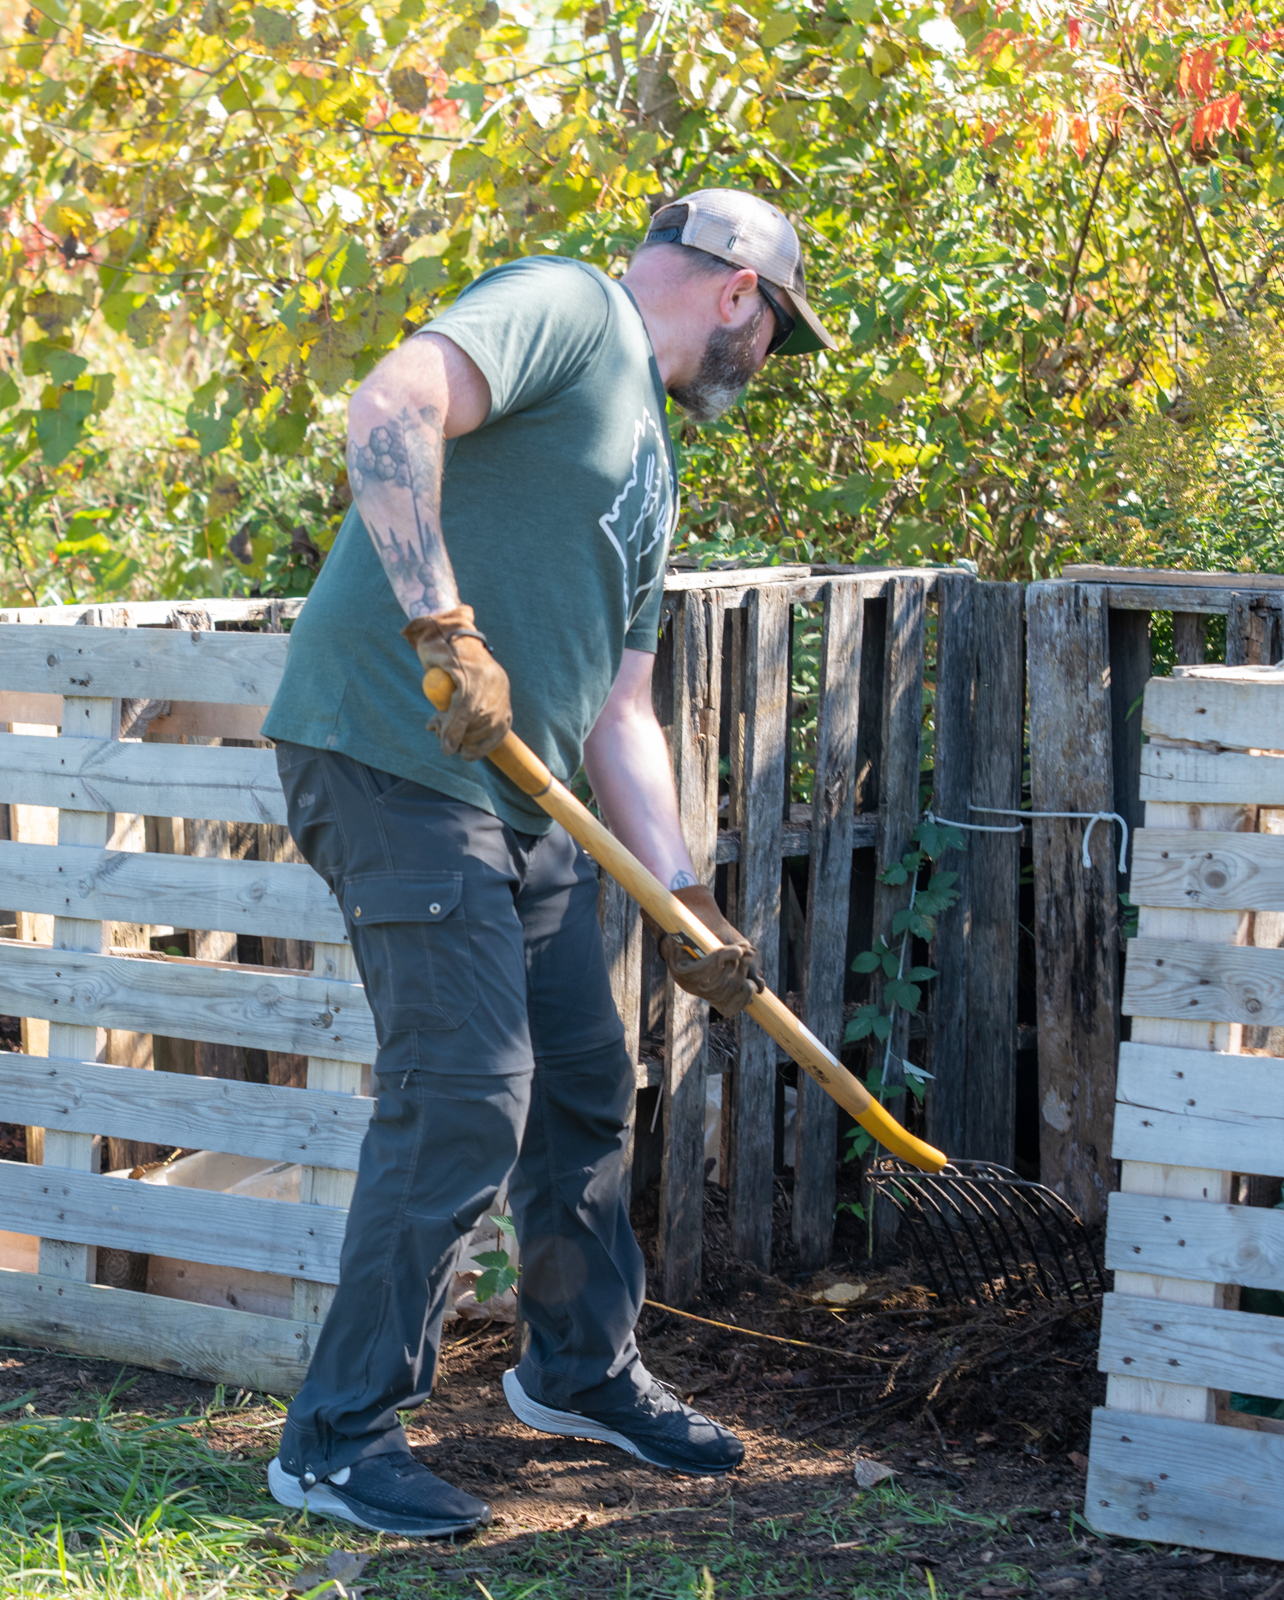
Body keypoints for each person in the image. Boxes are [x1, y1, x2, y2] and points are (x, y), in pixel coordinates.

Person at [259, 188, 831, 1538]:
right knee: (463, 1092)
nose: (766, 361)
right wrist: (441, 626)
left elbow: (618, 711)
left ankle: (575, 1372)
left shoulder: (653, 466)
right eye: (776, 331)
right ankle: (335, 1439)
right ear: (739, 291)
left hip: (523, 796)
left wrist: (683, 899)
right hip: (394, 758)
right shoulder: (569, 309)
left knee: (581, 1087)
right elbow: (389, 406)